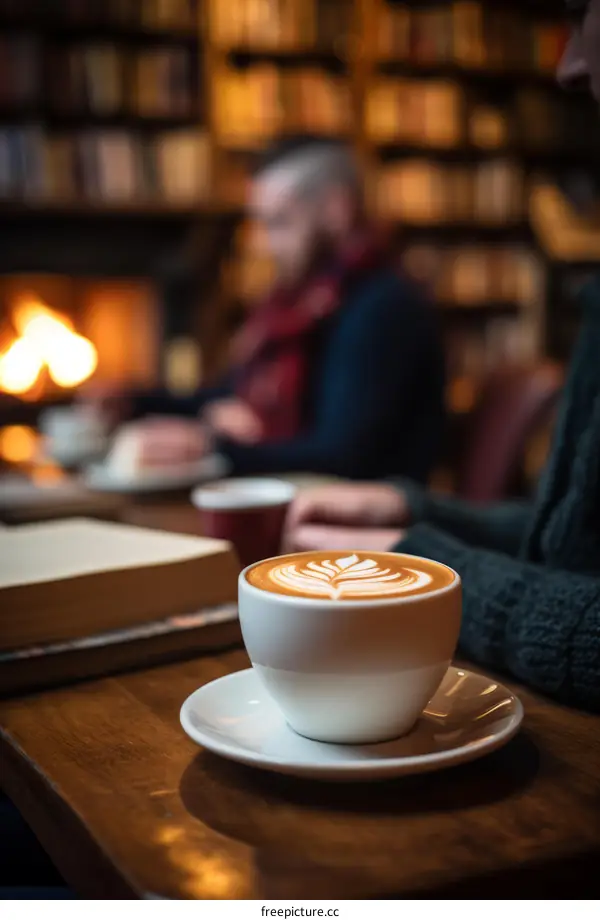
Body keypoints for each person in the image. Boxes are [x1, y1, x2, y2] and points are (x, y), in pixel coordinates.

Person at [285, 0, 600, 713]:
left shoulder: (383, 306)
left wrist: (427, 557)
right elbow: (573, 547)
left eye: (583, 11)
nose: (566, 62)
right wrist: (413, 508)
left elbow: (342, 442)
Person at [91, 136, 445, 481]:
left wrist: (209, 447)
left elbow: (343, 455)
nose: (261, 245)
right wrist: (134, 402)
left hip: (355, 528)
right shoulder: (300, 305)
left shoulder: (382, 307)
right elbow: (232, 394)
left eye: (279, 222)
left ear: (337, 209)